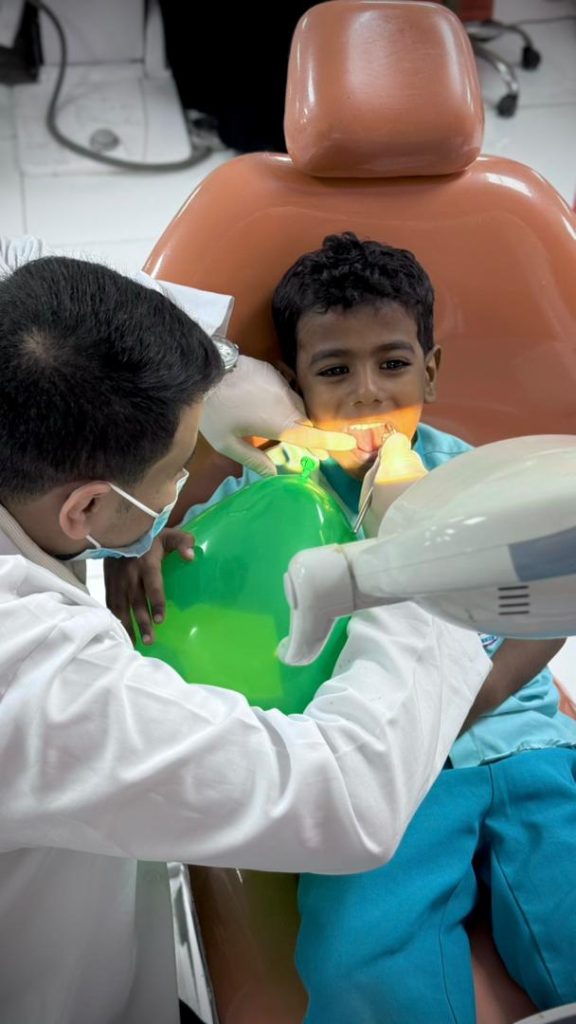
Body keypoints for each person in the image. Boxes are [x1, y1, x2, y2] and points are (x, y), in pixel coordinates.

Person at [0, 240, 492, 1024]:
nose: (182, 489)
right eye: (175, 472)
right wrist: (405, 559)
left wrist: (229, 381)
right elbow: (343, 800)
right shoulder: (37, 680)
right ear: (85, 507)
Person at [112, 232, 575, 1022]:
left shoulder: (483, 479)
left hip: (523, 745)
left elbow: (555, 602)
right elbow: (194, 612)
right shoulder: (257, 500)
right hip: (379, 775)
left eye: (393, 364)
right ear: (294, 385)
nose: (369, 395)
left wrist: (479, 698)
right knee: (362, 964)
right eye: (335, 371)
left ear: (431, 369)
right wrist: (145, 549)